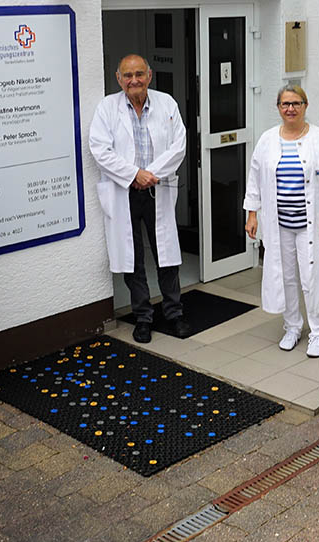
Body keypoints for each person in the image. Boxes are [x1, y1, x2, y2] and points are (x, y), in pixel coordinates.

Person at [89, 54, 189, 344]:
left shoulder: (166, 104)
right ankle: (142, 317)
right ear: (119, 79)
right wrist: (134, 174)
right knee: (132, 258)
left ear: (149, 75)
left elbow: (178, 146)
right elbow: (100, 150)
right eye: (128, 75)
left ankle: (174, 312)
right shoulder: (107, 108)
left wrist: (150, 174)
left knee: (167, 255)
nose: (134, 80)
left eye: (139, 74)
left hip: (157, 188)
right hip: (125, 192)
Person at [243, 85, 319, 358]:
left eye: (296, 103)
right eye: (285, 104)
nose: (290, 108)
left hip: (313, 224)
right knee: (285, 276)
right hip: (280, 225)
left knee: (314, 277)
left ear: (306, 105)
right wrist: (252, 213)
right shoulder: (267, 140)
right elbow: (254, 178)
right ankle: (292, 326)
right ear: (278, 107)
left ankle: (317, 333)